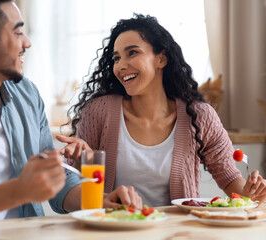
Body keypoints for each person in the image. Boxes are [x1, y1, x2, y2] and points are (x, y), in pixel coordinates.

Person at [0, 1, 141, 239]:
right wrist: (20, 189)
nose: (27, 42)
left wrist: (98, 201)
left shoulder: (26, 95)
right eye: (18, 32)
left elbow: (56, 182)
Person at [57, 14, 266, 207]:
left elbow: (230, 179)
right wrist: (83, 161)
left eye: (132, 53)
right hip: (114, 231)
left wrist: (251, 192)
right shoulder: (98, 112)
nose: (121, 65)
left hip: (178, 233)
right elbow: (75, 187)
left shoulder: (200, 116)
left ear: (161, 59)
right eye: (116, 58)